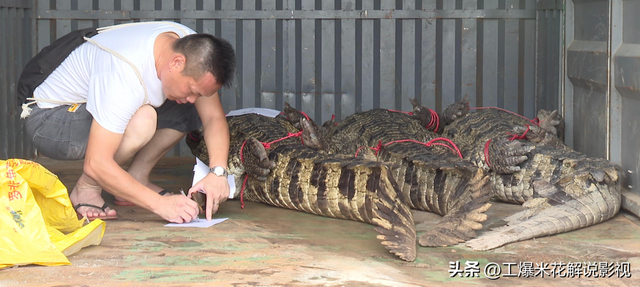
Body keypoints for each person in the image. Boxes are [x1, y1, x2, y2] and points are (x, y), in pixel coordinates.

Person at [21, 21, 236, 223]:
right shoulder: (124, 73)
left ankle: (137, 177)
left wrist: (218, 173)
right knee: (143, 120)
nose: (192, 98)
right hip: (51, 119)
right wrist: (160, 204)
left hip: (93, 104)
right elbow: (96, 163)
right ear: (176, 63)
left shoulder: (190, 47)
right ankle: (87, 188)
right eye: (191, 90)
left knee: (189, 109)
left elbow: (213, 118)